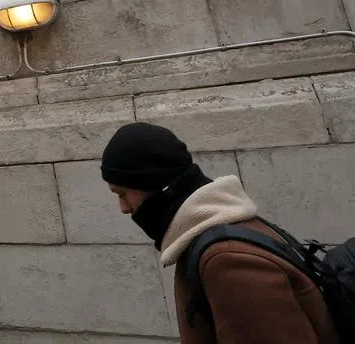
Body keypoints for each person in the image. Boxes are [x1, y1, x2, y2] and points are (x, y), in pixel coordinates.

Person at [100, 122, 338, 344]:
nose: (124, 208)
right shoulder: (224, 232)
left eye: (122, 194)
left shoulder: (226, 260)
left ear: (156, 187)